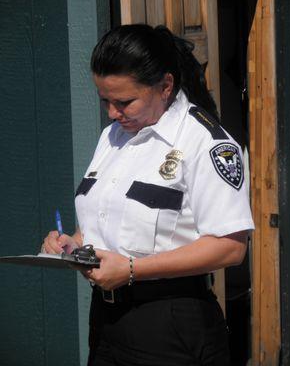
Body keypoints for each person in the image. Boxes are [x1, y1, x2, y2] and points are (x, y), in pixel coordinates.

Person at [43, 24, 254, 366]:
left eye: (124, 101)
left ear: (165, 86)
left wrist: (131, 269)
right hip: (107, 320)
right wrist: (72, 245)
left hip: (170, 321)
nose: (112, 113)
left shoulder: (206, 142)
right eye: (106, 101)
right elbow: (103, 221)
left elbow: (231, 247)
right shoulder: (113, 136)